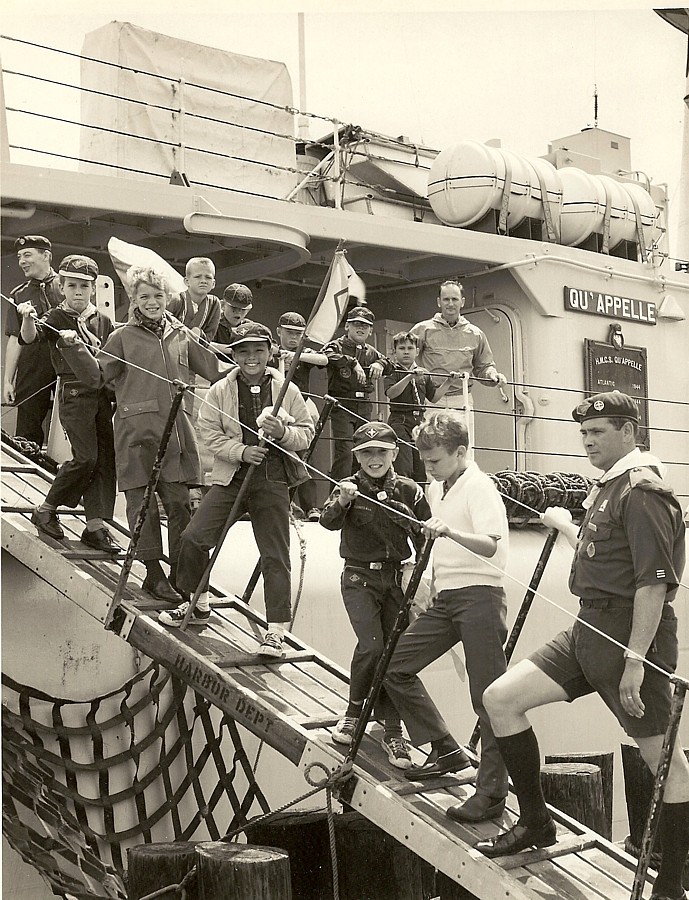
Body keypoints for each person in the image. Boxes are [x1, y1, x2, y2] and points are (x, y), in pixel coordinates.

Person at [476, 392, 689, 900]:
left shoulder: (643, 492)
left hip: (629, 638)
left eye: (598, 433)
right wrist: (566, 527)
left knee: (666, 762)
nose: (588, 442)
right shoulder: (612, 487)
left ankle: (673, 884)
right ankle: (535, 822)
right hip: (586, 629)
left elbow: (652, 584)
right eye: (585, 434)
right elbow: (605, 555)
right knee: (501, 699)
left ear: (628, 433)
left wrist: (635, 660)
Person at [159, 322, 314, 660]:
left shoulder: (288, 390)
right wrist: (241, 452)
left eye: (258, 350)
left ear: (270, 352)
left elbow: (306, 433)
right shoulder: (219, 390)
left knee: (274, 554)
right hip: (231, 479)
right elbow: (208, 432)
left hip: (272, 480)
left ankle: (276, 632)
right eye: (243, 351)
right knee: (194, 537)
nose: (252, 357)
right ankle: (198, 603)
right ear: (234, 355)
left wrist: (283, 434)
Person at [383, 411, 509, 819]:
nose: (428, 468)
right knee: (395, 665)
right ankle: (446, 749)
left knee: (488, 697)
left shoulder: (479, 487)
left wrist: (450, 533)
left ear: (460, 451)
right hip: (447, 599)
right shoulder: (440, 488)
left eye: (435, 460)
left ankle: (491, 792)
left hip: (480, 597)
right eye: (424, 460)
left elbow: (493, 546)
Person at [97, 266, 229, 602]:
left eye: (158, 295)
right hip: (135, 432)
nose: (152, 302)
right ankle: (153, 575)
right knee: (143, 507)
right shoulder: (121, 337)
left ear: (167, 298)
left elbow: (214, 370)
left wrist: (256, 367)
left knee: (179, 504)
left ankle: (179, 575)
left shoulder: (180, 332)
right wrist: (72, 348)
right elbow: (97, 376)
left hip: (176, 432)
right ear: (134, 300)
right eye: (145, 297)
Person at [320, 421, 431, 769]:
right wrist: (341, 502)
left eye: (381, 452)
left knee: (394, 655)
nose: (374, 459)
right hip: (358, 579)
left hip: (396, 581)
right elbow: (327, 522)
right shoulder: (348, 487)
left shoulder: (411, 492)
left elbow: (426, 537)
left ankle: (393, 730)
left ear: (394, 454)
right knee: (372, 645)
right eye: (367, 453)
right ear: (357, 456)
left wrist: (419, 578)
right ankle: (354, 715)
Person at [17, 255, 119, 551]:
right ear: (61, 286)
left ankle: (95, 525)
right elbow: (31, 337)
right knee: (86, 456)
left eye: (84, 287)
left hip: (101, 394)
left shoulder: (103, 320)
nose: (77, 292)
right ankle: (46, 508)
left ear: (93, 289)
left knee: (104, 458)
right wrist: (26, 317)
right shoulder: (56, 317)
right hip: (74, 394)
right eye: (71, 285)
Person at [410, 280, 507, 447]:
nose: (450, 304)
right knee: (432, 449)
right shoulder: (422, 330)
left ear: (462, 302)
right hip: (433, 401)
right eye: (446, 299)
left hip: (462, 400)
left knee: (464, 450)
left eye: (454, 299)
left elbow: (484, 366)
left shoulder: (475, 333)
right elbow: (404, 358)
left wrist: (493, 375)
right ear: (439, 302)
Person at [322, 306, 394, 482]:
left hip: (364, 405)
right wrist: (352, 362)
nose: (360, 328)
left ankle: (361, 491)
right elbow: (326, 355)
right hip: (342, 404)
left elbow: (390, 364)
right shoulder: (337, 345)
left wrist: (381, 364)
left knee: (363, 448)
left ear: (370, 330)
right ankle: (339, 493)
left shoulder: (370, 351)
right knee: (345, 451)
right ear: (347, 326)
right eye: (356, 324)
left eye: (365, 326)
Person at [4, 235, 61, 446]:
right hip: (32, 365)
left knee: (69, 423)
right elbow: (14, 339)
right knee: (27, 428)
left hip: (65, 361)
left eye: (27, 255)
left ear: (46, 255)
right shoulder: (18, 294)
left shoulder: (67, 287)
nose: (22, 262)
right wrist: (8, 381)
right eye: (19, 257)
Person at [276, 310, 327, 520]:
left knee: (307, 456)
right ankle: (284, 506)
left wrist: (296, 356)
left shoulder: (303, 352)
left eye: (298, 333)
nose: (293, 337)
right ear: (279, 331)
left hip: (301, 409)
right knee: (281, 458)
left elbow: (324, 359)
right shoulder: (271, 351)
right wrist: (280, 359)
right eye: (289, 333)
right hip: (279, 409)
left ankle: (310, 507)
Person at [384, 330, 454, 481]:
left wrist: (448, 382)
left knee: (420, 468)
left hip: (419, 423)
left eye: (410, 349)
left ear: (417, 351)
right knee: (404, 466)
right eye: (402, 349)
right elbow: (391, 393)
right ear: (395, 352)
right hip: (400, 421)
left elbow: (434, 397)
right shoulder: (392, 371)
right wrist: (409, 377)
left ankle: (418, 501)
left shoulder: (424, 373)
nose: (406, 352)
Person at [166, 257, 221, 344]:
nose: (203, 281)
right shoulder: (175, 300)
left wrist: (198, 333)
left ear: (213, 283)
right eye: (197, 277)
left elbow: (209, 336)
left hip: (194, 352)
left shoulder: (214, 304)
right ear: (187, 281)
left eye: (208, 277)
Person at [211, 283, 256, 361]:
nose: (238, 312)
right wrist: (233, 350)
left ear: (248, 311)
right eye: (233, 307)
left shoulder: (251, 327)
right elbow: (204, 344)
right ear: (222, 305)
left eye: (243, 309)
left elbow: (271, 347)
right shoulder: (212, 323)